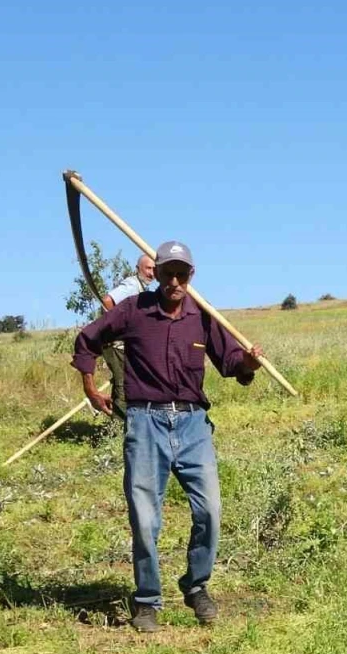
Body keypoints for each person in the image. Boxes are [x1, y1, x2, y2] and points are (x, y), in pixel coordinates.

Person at [72, 241, 262, 631]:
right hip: (145, 424)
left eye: (182, 274)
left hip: (193, 425)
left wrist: (247, 361)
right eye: (167, 273)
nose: (175, 281)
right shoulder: (133, 311)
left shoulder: (203, 316)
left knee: (209, 510)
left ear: (191, 276)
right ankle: (146, 601)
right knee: (144, 518)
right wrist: (91, 387)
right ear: (155, 274)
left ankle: (196, 587)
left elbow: (230, 363)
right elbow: (87, 339)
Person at [101, 254, 156, 420]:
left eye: (154, 269)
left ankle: (118, 424)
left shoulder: (142, 288)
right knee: (123, 384)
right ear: (138, 268)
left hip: (122, 344)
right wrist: (116, 327)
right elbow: (108, 300)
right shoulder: (132, 285)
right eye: (148, 268)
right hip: (116, 344)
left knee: (123, 381)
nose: (152, 273)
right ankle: (119, 427)